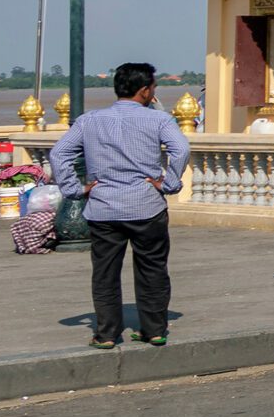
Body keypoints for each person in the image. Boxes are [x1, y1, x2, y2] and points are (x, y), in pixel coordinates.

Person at [48, 62, 189, 349]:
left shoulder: (90, 121)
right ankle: (154, 330)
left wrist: (76, 190)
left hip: (104, 208)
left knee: (105, 273)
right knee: (152, 268)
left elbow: (58, 154)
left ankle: (107, 333)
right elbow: (181, 148)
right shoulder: (159, 120)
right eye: (153, 89)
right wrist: (169, 183)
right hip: (147, 205)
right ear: (145, 91)